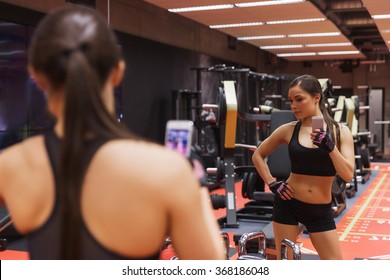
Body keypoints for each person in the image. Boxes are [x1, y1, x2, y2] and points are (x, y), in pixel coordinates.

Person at [0, 5, 225, 260]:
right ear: (117, 72)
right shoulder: (168, 171)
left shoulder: (11, 166)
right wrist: (194, 185)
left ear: (37, 77)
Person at [252, 74, 355, 260]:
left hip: (320, 211)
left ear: (316, 98)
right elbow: (258, 155)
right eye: (291, 101)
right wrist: (272, 182)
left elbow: (347, 175)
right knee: (285, 263)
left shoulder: (340, 131)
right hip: (288, 204)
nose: (293, 106)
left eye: (299, 99)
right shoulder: (289, 129)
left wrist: (331, 148)